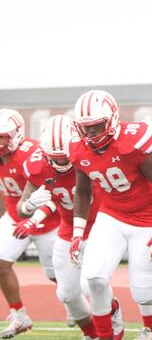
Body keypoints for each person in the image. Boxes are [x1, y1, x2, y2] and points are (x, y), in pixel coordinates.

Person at [69, 90, 152, 340]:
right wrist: (78, 233)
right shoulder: (77, 147)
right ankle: (108, 334)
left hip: (148, 219)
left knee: (143, 293)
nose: (92, 133)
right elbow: (83, 192)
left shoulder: (134, 141)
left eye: (97, 126)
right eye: (86, 128)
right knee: (94, 279)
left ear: (112, 120)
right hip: (112, 216)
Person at [0, 109, 55, 338]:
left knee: (58, 277)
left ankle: (84, 308)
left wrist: (34, 220)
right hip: (15, 216)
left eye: (3, 137)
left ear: (17, 134)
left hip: (49, 220)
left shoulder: (32, 153)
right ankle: (20, 315)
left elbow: (51, 191)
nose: (0, 142)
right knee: (1, 263)